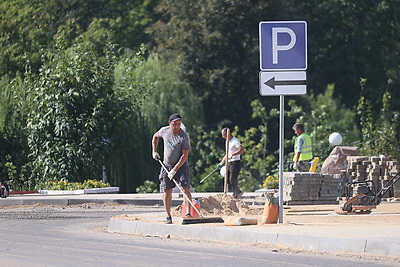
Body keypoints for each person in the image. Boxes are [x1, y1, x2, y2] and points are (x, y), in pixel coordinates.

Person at [152, 113, 192, 224]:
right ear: (169, 123)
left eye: (179, 124)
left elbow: (184, 155)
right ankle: (168, 216)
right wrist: (154, 151)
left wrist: (175, 170)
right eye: (174, 124)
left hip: (181, 165)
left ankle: (188, 214)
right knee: (167, 191)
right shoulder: (164, 131)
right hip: (166, 165)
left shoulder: (184, 136)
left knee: (185, 189)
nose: (177, 126)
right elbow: (155, 137)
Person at [218, 128, 245, 199]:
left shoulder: (235, 141)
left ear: (228, 134)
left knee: (232, 178)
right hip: (229, 163)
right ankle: (237, 191)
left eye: (223, 135)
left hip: (235, 162)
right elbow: (227, 154)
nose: (223, 137)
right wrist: (221, 163)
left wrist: (233, 154)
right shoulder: (227, 142)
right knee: (227, 179)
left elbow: (241, 149)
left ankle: (236, 193)